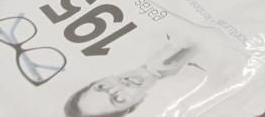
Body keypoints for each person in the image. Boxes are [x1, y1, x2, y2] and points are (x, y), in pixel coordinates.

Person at [64, 40, 199, 117]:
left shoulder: (131, 44)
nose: (120, 85)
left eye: (102, 87)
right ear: (135, 104)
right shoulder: (194, 84)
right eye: (119, 99)